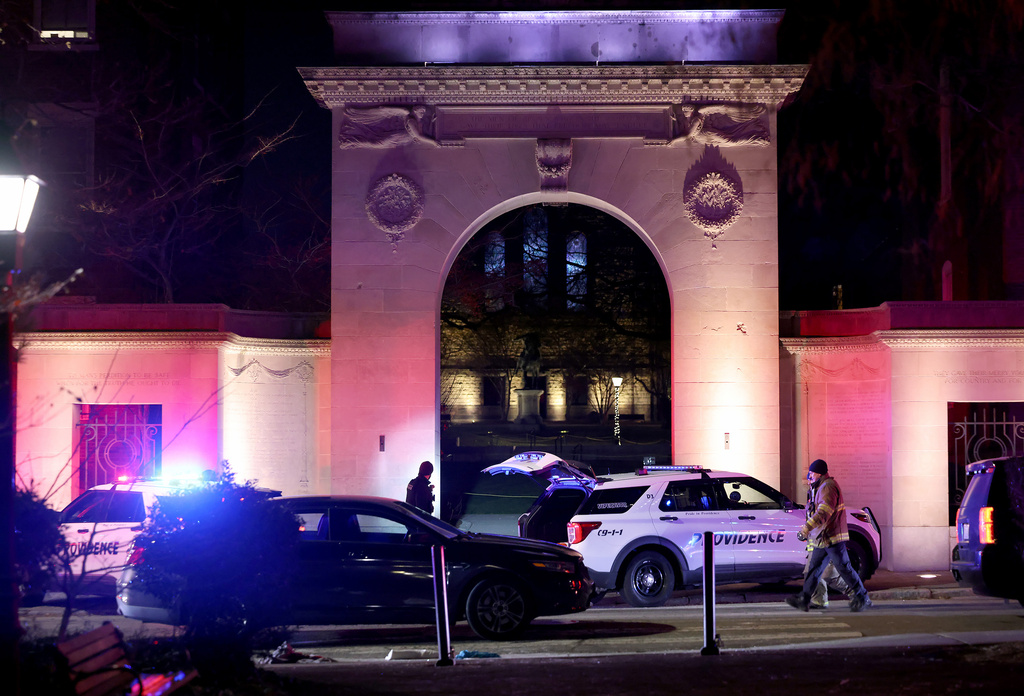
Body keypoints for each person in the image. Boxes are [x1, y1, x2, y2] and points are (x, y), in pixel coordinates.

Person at [786, 459, 872, 612]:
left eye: (811, 473)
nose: (809, 476)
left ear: (818, 473)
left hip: (832, 538)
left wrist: (806, 528)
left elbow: (824, 512)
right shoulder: (819, 487)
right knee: (814, 569)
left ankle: (862, 597)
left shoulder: (828, 487)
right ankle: (804, 599)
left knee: (844, 568)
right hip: (822, 538)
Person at [802, 469, 849, 609]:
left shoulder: (826, 489)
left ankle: (857, 593)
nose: (809, 481)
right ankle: (819, 601)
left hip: (826, 538)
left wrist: (806, 528)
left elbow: (823, 514)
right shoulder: (813, 492)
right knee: (811, 572)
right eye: (808, 479)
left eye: (811, 477)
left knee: (828, 574)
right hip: (817, 539)